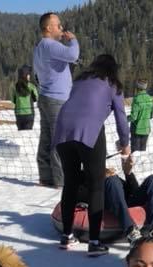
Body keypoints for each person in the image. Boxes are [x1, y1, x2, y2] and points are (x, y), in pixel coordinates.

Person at [54, 54, 130, 256]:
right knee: (97, 185)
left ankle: (66, 235)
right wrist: (125, 145)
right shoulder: (113, 84)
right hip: (89, 131)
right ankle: (95, 242)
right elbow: (121, 118)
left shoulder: (80, 80)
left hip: (62, 131)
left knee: (70, 182)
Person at [33, 12, 79, 188]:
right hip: (56, 99)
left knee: (46, 139)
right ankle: (61, 181)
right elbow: (73, 55)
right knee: (59, 140)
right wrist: (73, 40)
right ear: (48, 28)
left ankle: (46, 177)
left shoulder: (39, 47)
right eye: (58, 25)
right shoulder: (50, 45)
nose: (61, 28)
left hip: (45, 97)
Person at [103, 154, 153, 244]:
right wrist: (100, 178)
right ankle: (130, 231)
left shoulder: (112, 176)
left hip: (128, 202)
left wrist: (128, 174)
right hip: (112, 205)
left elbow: (133, 192)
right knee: (112, 181)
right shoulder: (86, 177)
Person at [128, 80, 153, 152]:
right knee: (142, 153)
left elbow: (133, 117)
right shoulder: (150, 99)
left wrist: (125, 119)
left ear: (137, 88)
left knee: (135, 153)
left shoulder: (136, 99)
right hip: (146, 129)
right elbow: (151, 115)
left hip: (136, 129)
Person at [12, 65, 38, 130]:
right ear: (27, 76)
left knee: (20, 134)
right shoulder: (32, 87)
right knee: (27, 134)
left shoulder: (15, 87)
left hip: (19, 113)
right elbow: (35, 99)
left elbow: (13, 100)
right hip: (29, 113)